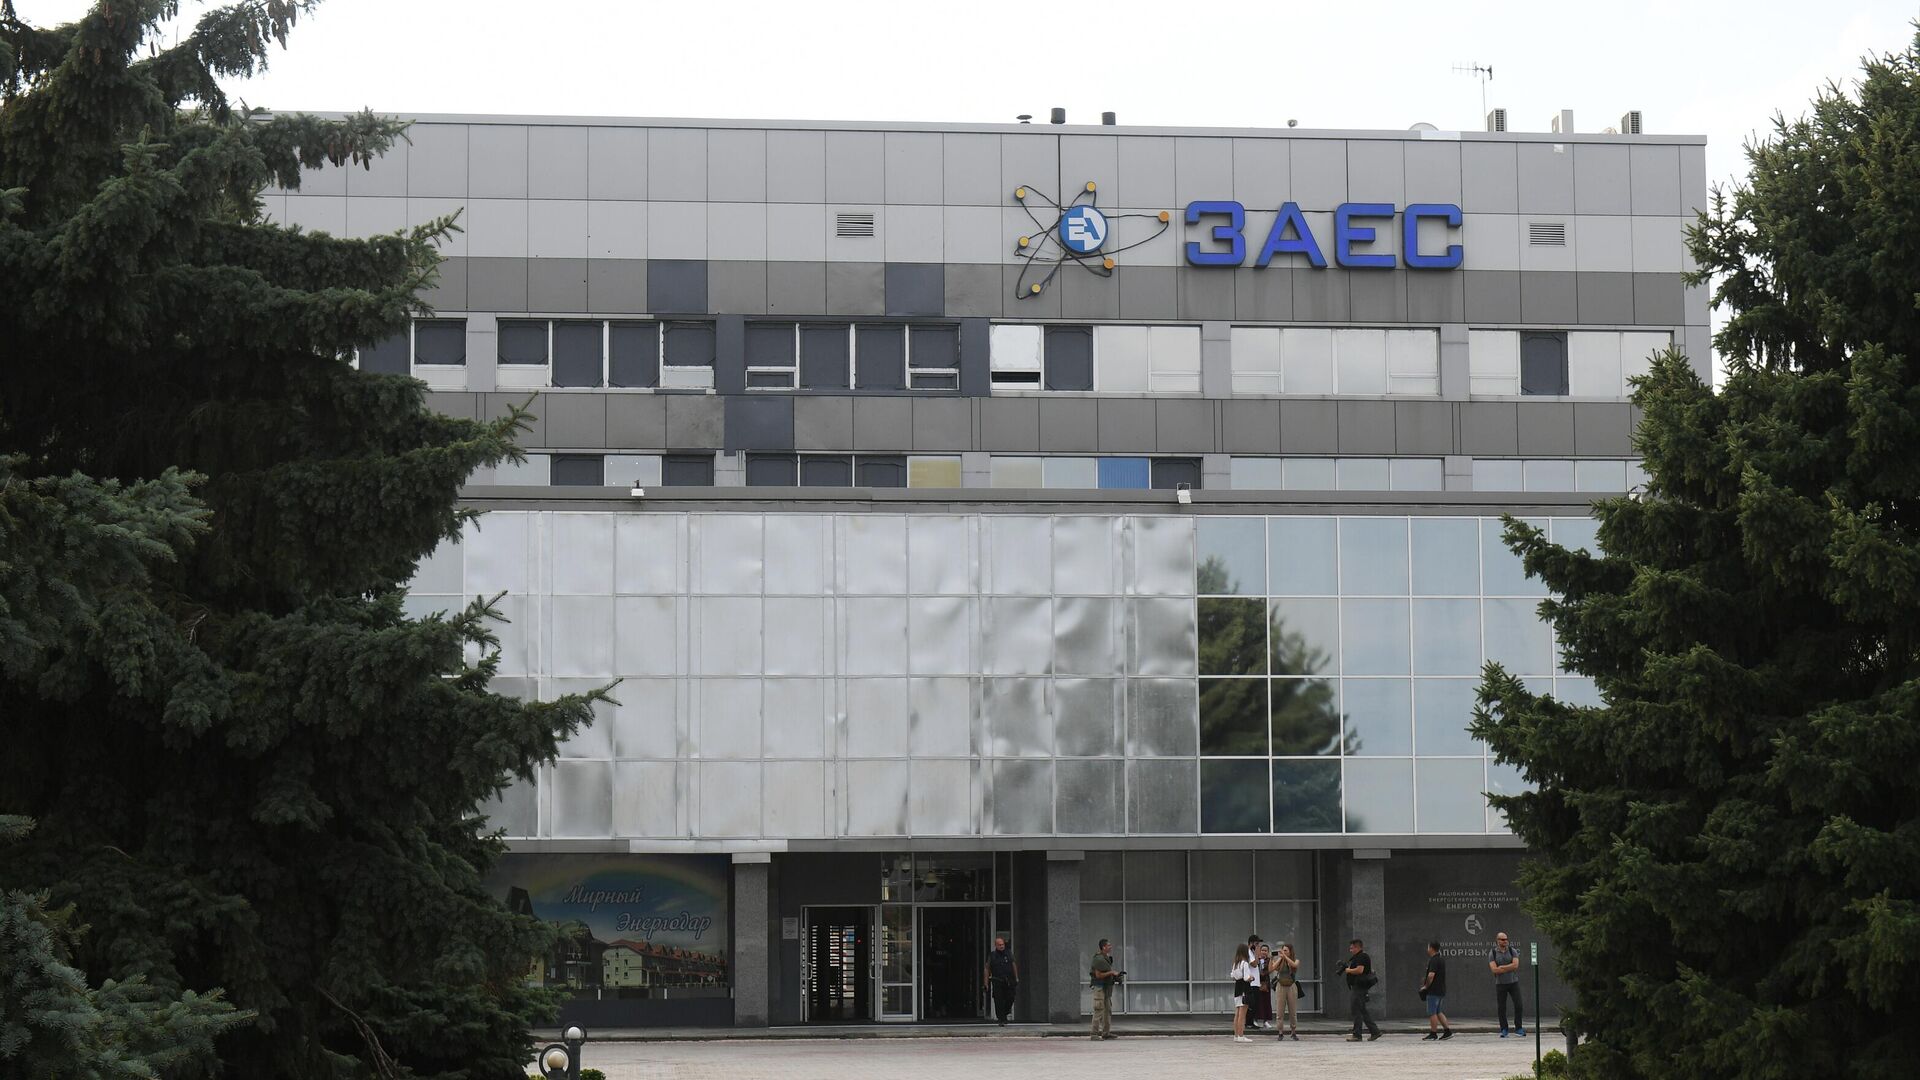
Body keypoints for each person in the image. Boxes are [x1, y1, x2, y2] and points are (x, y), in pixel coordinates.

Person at [1342, 938, 1381, 1042]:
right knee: (1362, 1010)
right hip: (1359, 987)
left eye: (1352, 948)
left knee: (1356, 1010)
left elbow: (1360, 970)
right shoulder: (1358, 957)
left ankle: (1357, 1035)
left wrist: (1348, 970)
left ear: (1358, 947)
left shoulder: (1362, 956)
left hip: (1359, 987)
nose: (1350, 950)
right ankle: (1375, 1031)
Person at [1489, 932, 1526, 1037]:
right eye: (1502, 939)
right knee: (1502, 1007)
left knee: (1519, 1005)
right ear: (1498, 941)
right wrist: (1508, 967)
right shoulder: (1493, 953)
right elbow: (1494, 969)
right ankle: (1504, 1029)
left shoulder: (1512, 950)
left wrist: (1502, 967)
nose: (1505, 941)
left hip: (1513, 982)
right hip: (1500, 984)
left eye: (1506, 939)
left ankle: (1518, 1028)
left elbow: (1515, 965)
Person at [1420, 940, 1453, 1040]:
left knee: (1432, 1012)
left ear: (1431, 948)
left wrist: (1425, 986)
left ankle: (1433, 1033)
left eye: (1428, 947)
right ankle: (1447, 1031)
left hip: (1433, 990)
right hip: (1441, 990)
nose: (1427, 949)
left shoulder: (1433, 960)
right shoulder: (1441, 960)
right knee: (1438, 1011)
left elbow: (1431, 975)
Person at [1089, 939, 1121, 1040]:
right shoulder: (1098, 959)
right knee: (1099, 1010)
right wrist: (1111, 973)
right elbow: (1098, 975)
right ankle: (1094, 1034)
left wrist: (1115, 976)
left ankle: (1106, 1033)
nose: (1110, 947)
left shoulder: (1105, 957)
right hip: (1099, 987)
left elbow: (1106, 972)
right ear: (1103, 947)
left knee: (1107, 1010)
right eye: (1108, 945)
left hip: (1106, 988)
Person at [984, 935, 1019, 1026]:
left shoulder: (1008, 953)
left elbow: (1013, 964)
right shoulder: (992, 955)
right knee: (998, 1000)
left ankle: (1005, 1013)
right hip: (997, 980)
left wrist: (1016, 977)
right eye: (999, 945)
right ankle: (1001, 1019)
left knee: (1011, 997)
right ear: (996, 945)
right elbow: (987, 968)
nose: (1001, 946)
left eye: (1002, 944)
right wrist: (986, 983)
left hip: (1009, 980)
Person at [1270, 942, 1301, 1041]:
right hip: (1281, 986)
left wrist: (1286, 957)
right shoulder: (1280, 960)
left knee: (1293, 1011)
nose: (1284, 952)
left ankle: (1293, 1031)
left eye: (1286, 950)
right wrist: (1277, 958)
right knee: (1280, 1010)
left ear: (1290, 951)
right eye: (1283, 950)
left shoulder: (1295, 959)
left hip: (1291, 986)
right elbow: (1272, 968)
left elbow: (1294, 965)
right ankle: (1280, 1032)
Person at [1230, 943, 1258, 1042]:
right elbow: (1246, 978)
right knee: (1242, 1014)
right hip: (1244, 989)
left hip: (1237, 989)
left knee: (1237, 1013)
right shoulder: (1245, 963)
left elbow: (1233, 976)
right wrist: (1252, 977)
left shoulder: (1235, 963)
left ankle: (1236, 1035)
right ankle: (1241, 1035)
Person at [1252, 942, 1273, 1029]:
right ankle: (1255, 1019)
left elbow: (1270, 970)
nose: (1264, 952)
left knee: (1266, 1002)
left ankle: (1265, 1021)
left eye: (1265, 950)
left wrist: (1271, 959)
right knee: (1257, 1002)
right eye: (1262, 950)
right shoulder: (1257, 960)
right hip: (1257, 983)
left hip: (1266, 984)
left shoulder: (1269, 960)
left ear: (1268, 952)